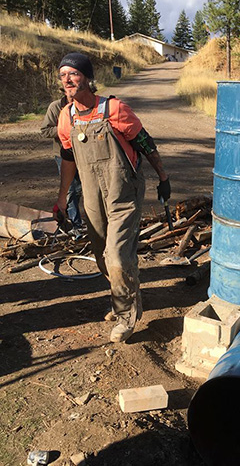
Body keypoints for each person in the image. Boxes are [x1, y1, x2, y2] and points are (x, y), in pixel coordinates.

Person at [54, 52, 171, 343]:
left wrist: (163, 178)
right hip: (93, 196)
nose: (67, 80)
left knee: (117, 255)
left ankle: (125, 315)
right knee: (102, 257)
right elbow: (68, 158)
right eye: (63, 75)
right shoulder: (66, 117)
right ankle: (127, 298)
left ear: (87, 77)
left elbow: (145, 143)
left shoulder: (114, 109)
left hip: (124, 194)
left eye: (73, 74)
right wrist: (62, 198)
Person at [41, 94, 84, 234]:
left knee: (81, 188)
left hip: (83, 154)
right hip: (63, 154)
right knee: (71, 189)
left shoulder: (85, 106)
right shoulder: (55, 107)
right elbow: (45, 131)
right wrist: (66, 128)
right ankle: (75, 225)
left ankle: (78, 221)